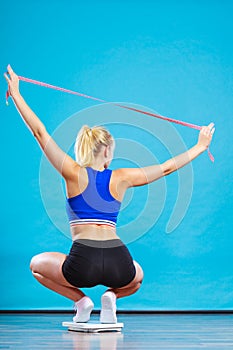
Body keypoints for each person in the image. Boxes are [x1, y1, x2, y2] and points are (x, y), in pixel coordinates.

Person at [4, 64, 215, 324]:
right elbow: (166, 168)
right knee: (137, 276)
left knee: (36, 265)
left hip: (82, 261)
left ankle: (81, 301)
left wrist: (16, 94)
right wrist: (200, 146)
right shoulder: (121, 177)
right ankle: (111, 297)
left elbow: (40, 132)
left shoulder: (72, 172)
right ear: (106, 152)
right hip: (118, 259)